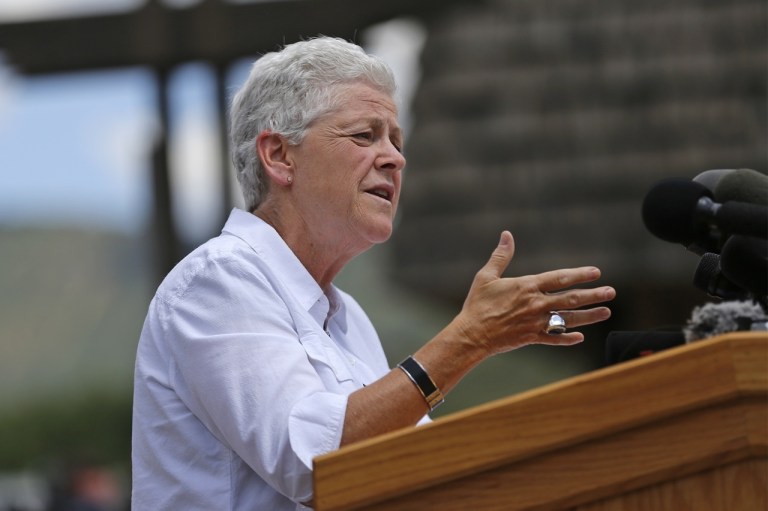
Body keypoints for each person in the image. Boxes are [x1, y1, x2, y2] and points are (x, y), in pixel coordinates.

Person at [131, 36, 616, 510]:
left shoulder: (350, 319)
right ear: (279, 156)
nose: (395, 157)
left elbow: (411, 469)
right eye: (365, 135)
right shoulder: (217, 282)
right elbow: (318, 467)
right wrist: (470, 340)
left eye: (396, 140)